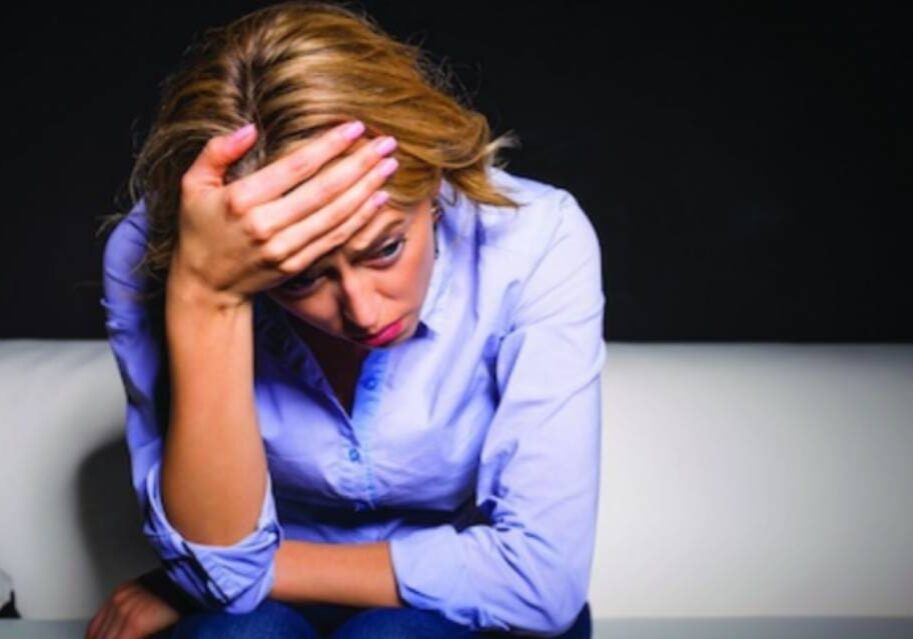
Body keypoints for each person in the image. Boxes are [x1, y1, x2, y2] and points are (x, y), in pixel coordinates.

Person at [89, 1, 606, 637]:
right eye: (298, 277)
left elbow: (537, 582)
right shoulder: (157, 257)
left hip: (467, 597)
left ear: (433, 175)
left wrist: (227, 573)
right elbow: (219, 575)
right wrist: (208, 294)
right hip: (266, 603)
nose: (363, 311)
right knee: (231, 635)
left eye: (387, 248)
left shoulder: (536, 238)